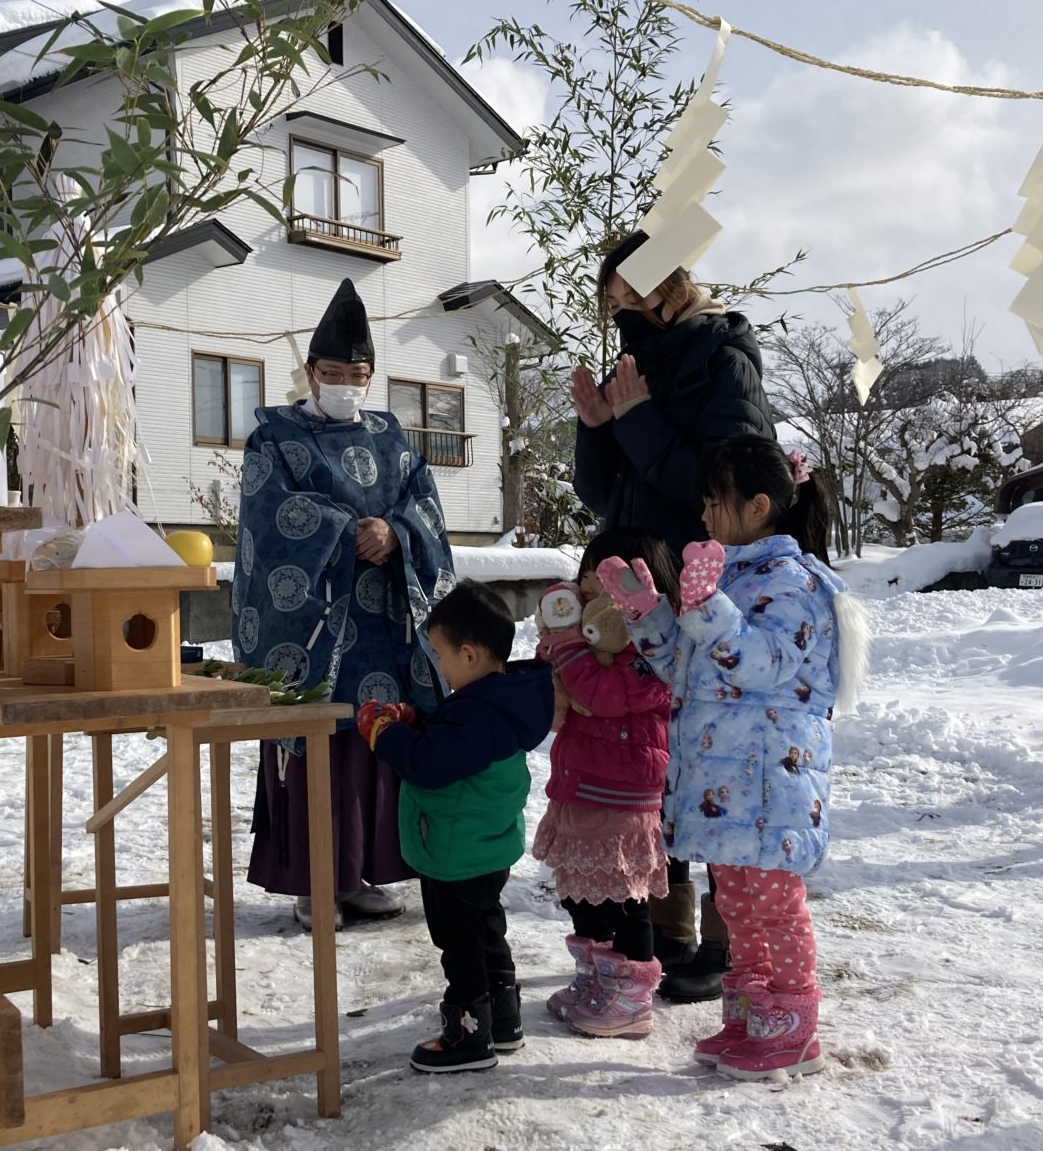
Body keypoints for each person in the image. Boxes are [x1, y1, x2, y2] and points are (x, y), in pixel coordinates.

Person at [598, 435, 864, 1080]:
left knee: (775, 906)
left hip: (770, 783)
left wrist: (708, 603)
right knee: (740, 905)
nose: (706, 516)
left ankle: (794, 1027)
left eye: (716, 504)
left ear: (758, 506)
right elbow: (684, 668)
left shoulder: (793, 582)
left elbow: (762, 663)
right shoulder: (734, 575)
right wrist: (649, 614)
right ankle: (749, 1015)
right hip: (721, 781)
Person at [569, 229, 778, 1004]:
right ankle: (668, 925)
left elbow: (732, 481)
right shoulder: (640, 363)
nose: (622, 309)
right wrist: (597, 427)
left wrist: (640, 421)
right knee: (650, 762)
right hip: (632, 575)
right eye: (612, 300)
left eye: (633, 293)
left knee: (712, 759)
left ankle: (729, 942)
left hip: (698, 585)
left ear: (671, 284)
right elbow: (604, 493)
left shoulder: (721, 357)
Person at [233, 278, 458, 927]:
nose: (344, 384)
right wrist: (340, 531)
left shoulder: (394, 438)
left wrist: (396, 533)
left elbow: (426, 510)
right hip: (312, 627)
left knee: (377, 745)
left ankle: (362, 873)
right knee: (319, 750)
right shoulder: (274, 438)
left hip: (383, 621)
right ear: (309, 372)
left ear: (370, 377)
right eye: (331, 372)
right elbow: (268, 515)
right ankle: (315, 882)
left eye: (356, 374)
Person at [361, 582, 554, 1073]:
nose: (439, 666)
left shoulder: (477, 714)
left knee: (460, 942)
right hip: (485, 850)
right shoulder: (498, 703)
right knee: (487, 928)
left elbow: (428, 764)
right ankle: (503, 1020)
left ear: (468, 655)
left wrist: (386, 734)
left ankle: (468, 1034)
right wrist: (415, 717)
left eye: (441, 655)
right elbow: (451, 738)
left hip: (454, 851)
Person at [533, 530, 679, 1039]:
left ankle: (633, 997)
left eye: (609, 575)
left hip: (625, 793)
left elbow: (607, 696)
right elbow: (567, 697)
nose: (593, 584)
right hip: (579, 781)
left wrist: (569, 650)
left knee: (627, 898)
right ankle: (595, 980)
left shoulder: (653, 651)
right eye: (588, 573)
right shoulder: (583, 638)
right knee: (582, 893)